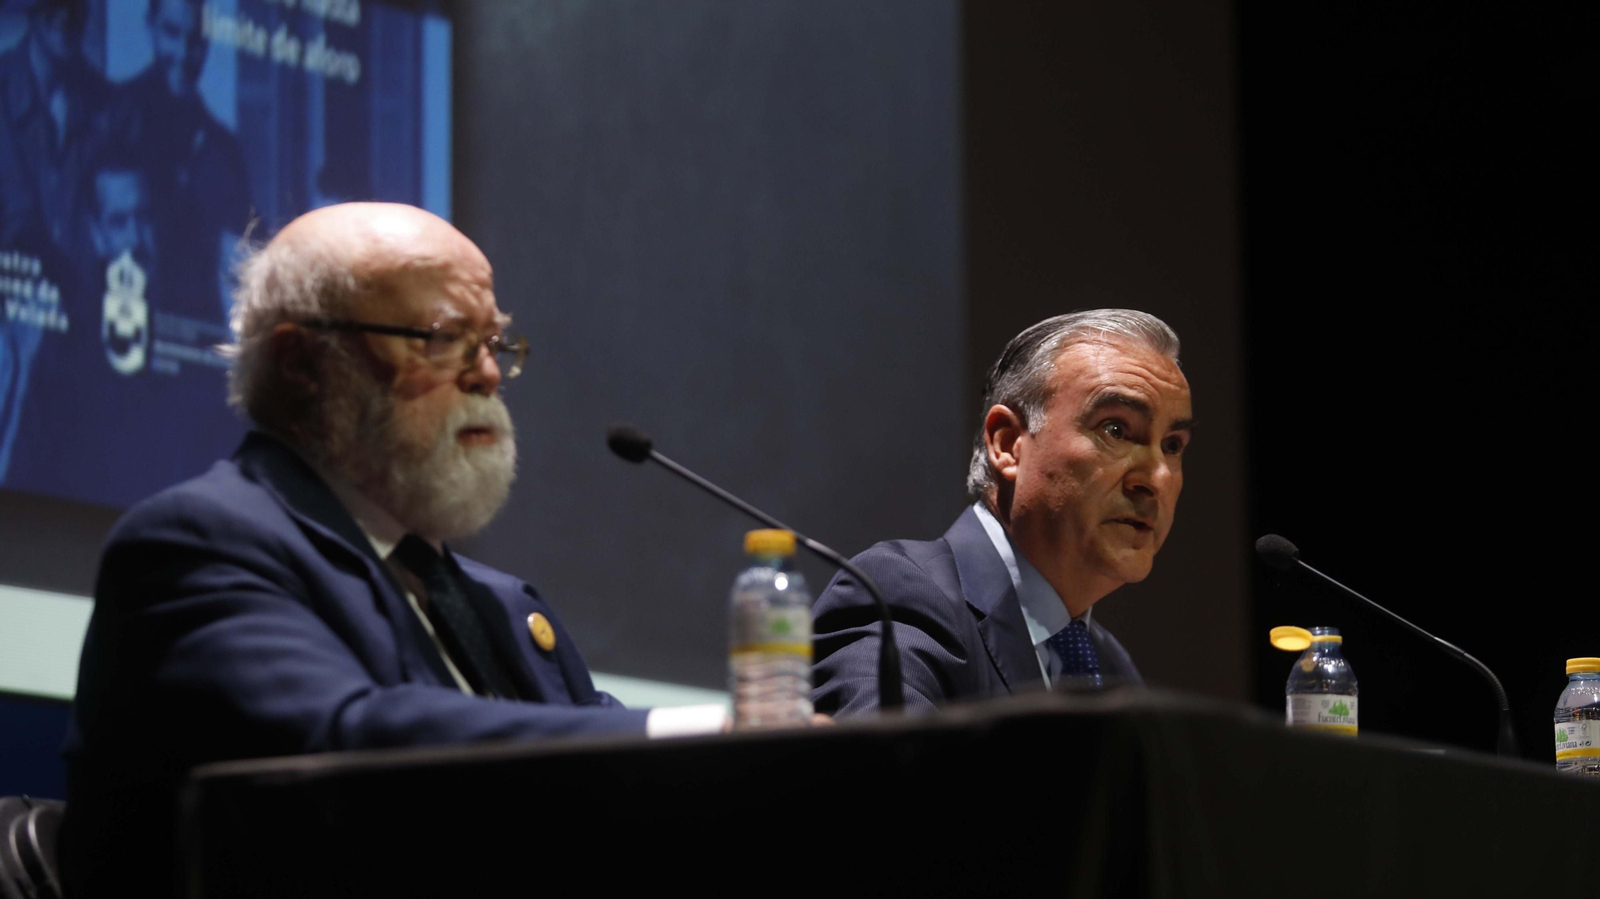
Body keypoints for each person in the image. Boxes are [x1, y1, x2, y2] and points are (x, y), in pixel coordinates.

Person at [59, 203, 727, 897]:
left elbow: (604, 754)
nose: (489, 374)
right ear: (302, 362)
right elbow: (348, 746)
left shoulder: (500, 608)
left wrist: (769, 751)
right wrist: (710, 729)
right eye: (442, 337)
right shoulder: (195, 548)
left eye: (494, 341)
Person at [812, 309, 1194, 715]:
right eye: (1115, 430)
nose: (1156, 478)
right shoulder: (904, 598)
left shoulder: (1109, 666)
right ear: (1008, 443)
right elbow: (888, 773)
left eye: (1172, 445)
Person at [120, 0, 252, 321]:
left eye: (195, 40)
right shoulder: (115, 118)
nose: (182, 53)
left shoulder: (225, 148)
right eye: (171, 32)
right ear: (150, 25)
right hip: (120, 316)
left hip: (197, 331)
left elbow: (236, 259)